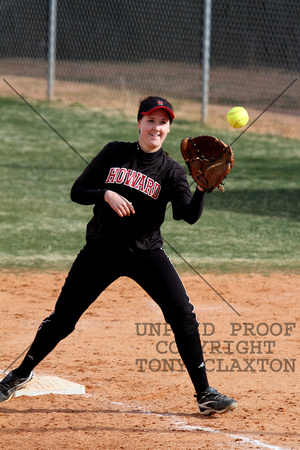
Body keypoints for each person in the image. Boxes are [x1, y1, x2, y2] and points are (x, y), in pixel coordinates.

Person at [0, 96, 237, 415]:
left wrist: (202, 190)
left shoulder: (172, 171)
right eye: (150, 120)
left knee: (182, 314)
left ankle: (205, 393)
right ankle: (20, 374)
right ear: (139, 122)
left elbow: (187, 216)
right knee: (63, 320)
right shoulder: (114, 152)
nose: (156, 126)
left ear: (169, 129)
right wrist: (106, 194)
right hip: (100, 251)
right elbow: (77, 191)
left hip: (146, 253)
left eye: (163, 122)